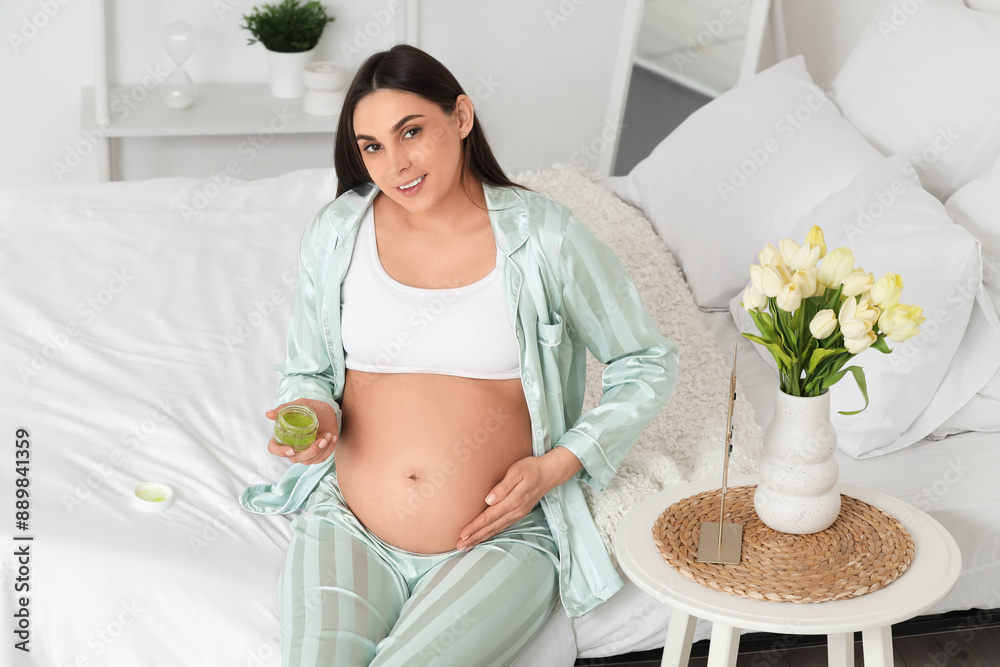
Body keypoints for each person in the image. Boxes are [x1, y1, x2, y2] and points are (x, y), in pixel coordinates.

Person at [239, 43, 679, 667]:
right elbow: (309, 371)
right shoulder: (339, 231)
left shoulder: (544, 237)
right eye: (372, 147)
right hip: (348, 522)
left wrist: (557, 465)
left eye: (411, 131)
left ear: (462, 117)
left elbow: (646, 361)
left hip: (501, 537)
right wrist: (314, 417)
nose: (395, 165)